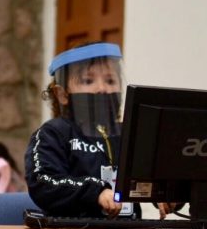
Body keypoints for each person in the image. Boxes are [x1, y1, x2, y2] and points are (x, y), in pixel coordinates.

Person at [25, 42, 175, 219]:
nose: (102, 89)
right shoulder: (53, 133)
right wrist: (95, 192)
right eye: (88, 81)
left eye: (110, 80)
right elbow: (42, 181)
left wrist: (166, 193)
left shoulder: (129, 134)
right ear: (62, 94)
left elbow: (151, 176)